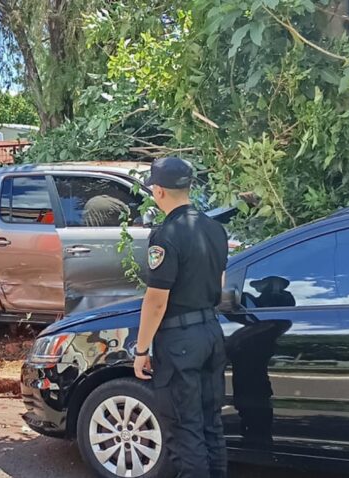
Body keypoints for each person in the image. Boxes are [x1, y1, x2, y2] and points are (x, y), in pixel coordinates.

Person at [132, 157, 230, 478]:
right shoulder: (216, 229)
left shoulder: (166, 236)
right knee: (210, 424)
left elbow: (157, 302)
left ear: (159, 191)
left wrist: (142, 349)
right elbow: (220, 286)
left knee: (186, 430)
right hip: (211, 334)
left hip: (179, 343)